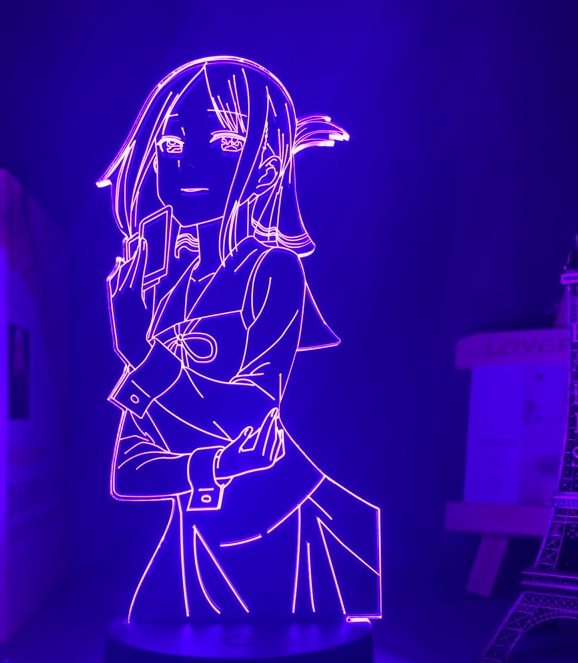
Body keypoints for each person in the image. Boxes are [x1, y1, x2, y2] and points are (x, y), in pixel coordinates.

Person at [98, 56, 381, 621]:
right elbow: (130, 471)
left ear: (266, 168)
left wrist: (144, 358)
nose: (188, 163)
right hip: (192, 540)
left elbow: (250, 415)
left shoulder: (273, 270)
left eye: (225, 144)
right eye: (171, 145)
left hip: (281, 530)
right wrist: (211, 467)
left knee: (288, 656)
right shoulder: (164, 293)